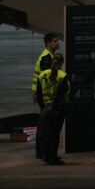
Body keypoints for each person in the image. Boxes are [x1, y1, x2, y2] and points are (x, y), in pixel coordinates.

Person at [35, 53, 70, 165]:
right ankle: (52, 157)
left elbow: (39, 94)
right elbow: (60, 95)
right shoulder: (62, 76)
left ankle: (46, 155)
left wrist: (43, 108)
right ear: (61, 63)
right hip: (58, 109)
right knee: (55, 134)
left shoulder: (42, 75)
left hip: (45, 108)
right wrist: (53, 108)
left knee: (47, 133)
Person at [32, 32, 60, 160]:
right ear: (48, 43)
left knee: (44, 125)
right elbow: (45, 79)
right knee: (45, 126)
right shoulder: (47, 58)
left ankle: (42, 151)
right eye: (55, 41)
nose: (58, 43)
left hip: (43, 94)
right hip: (45, 96)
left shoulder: (48, 55)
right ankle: (43, 151)